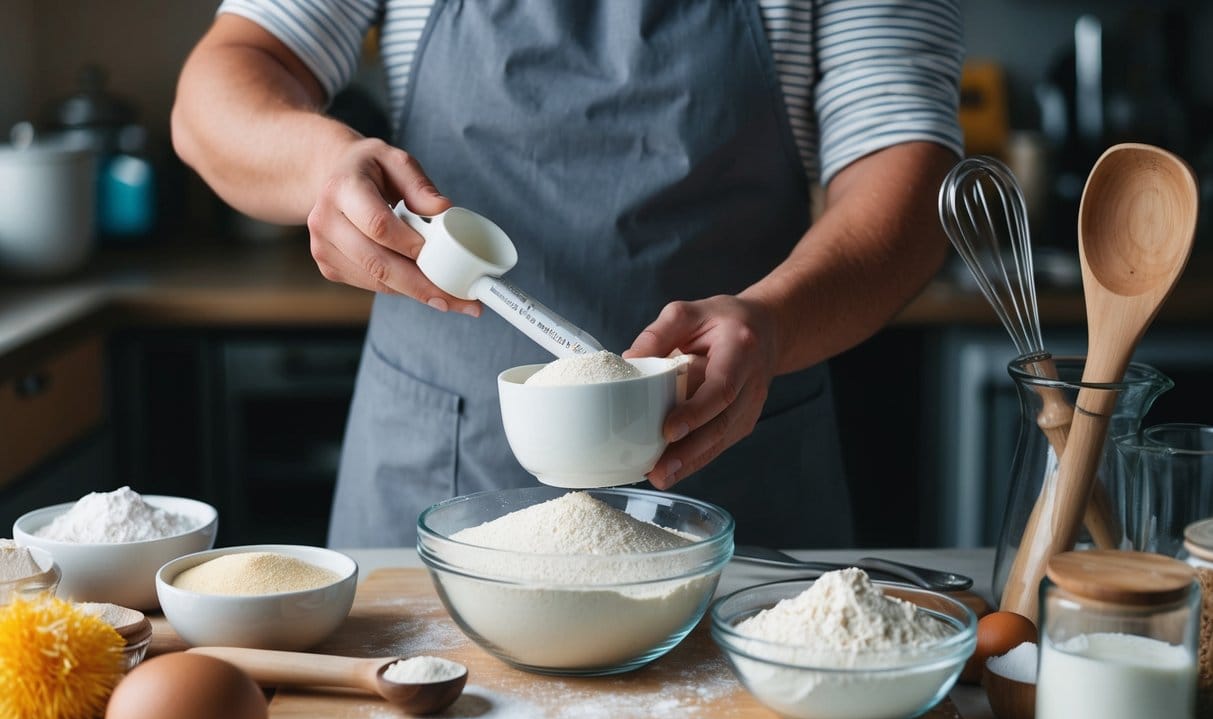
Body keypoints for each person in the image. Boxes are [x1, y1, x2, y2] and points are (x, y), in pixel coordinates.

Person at [172, 0, 963, 548]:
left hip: (724, 461)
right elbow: (225, 82)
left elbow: (909, 167)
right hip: (443, 473)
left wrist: (777, 319)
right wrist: (321, 165)